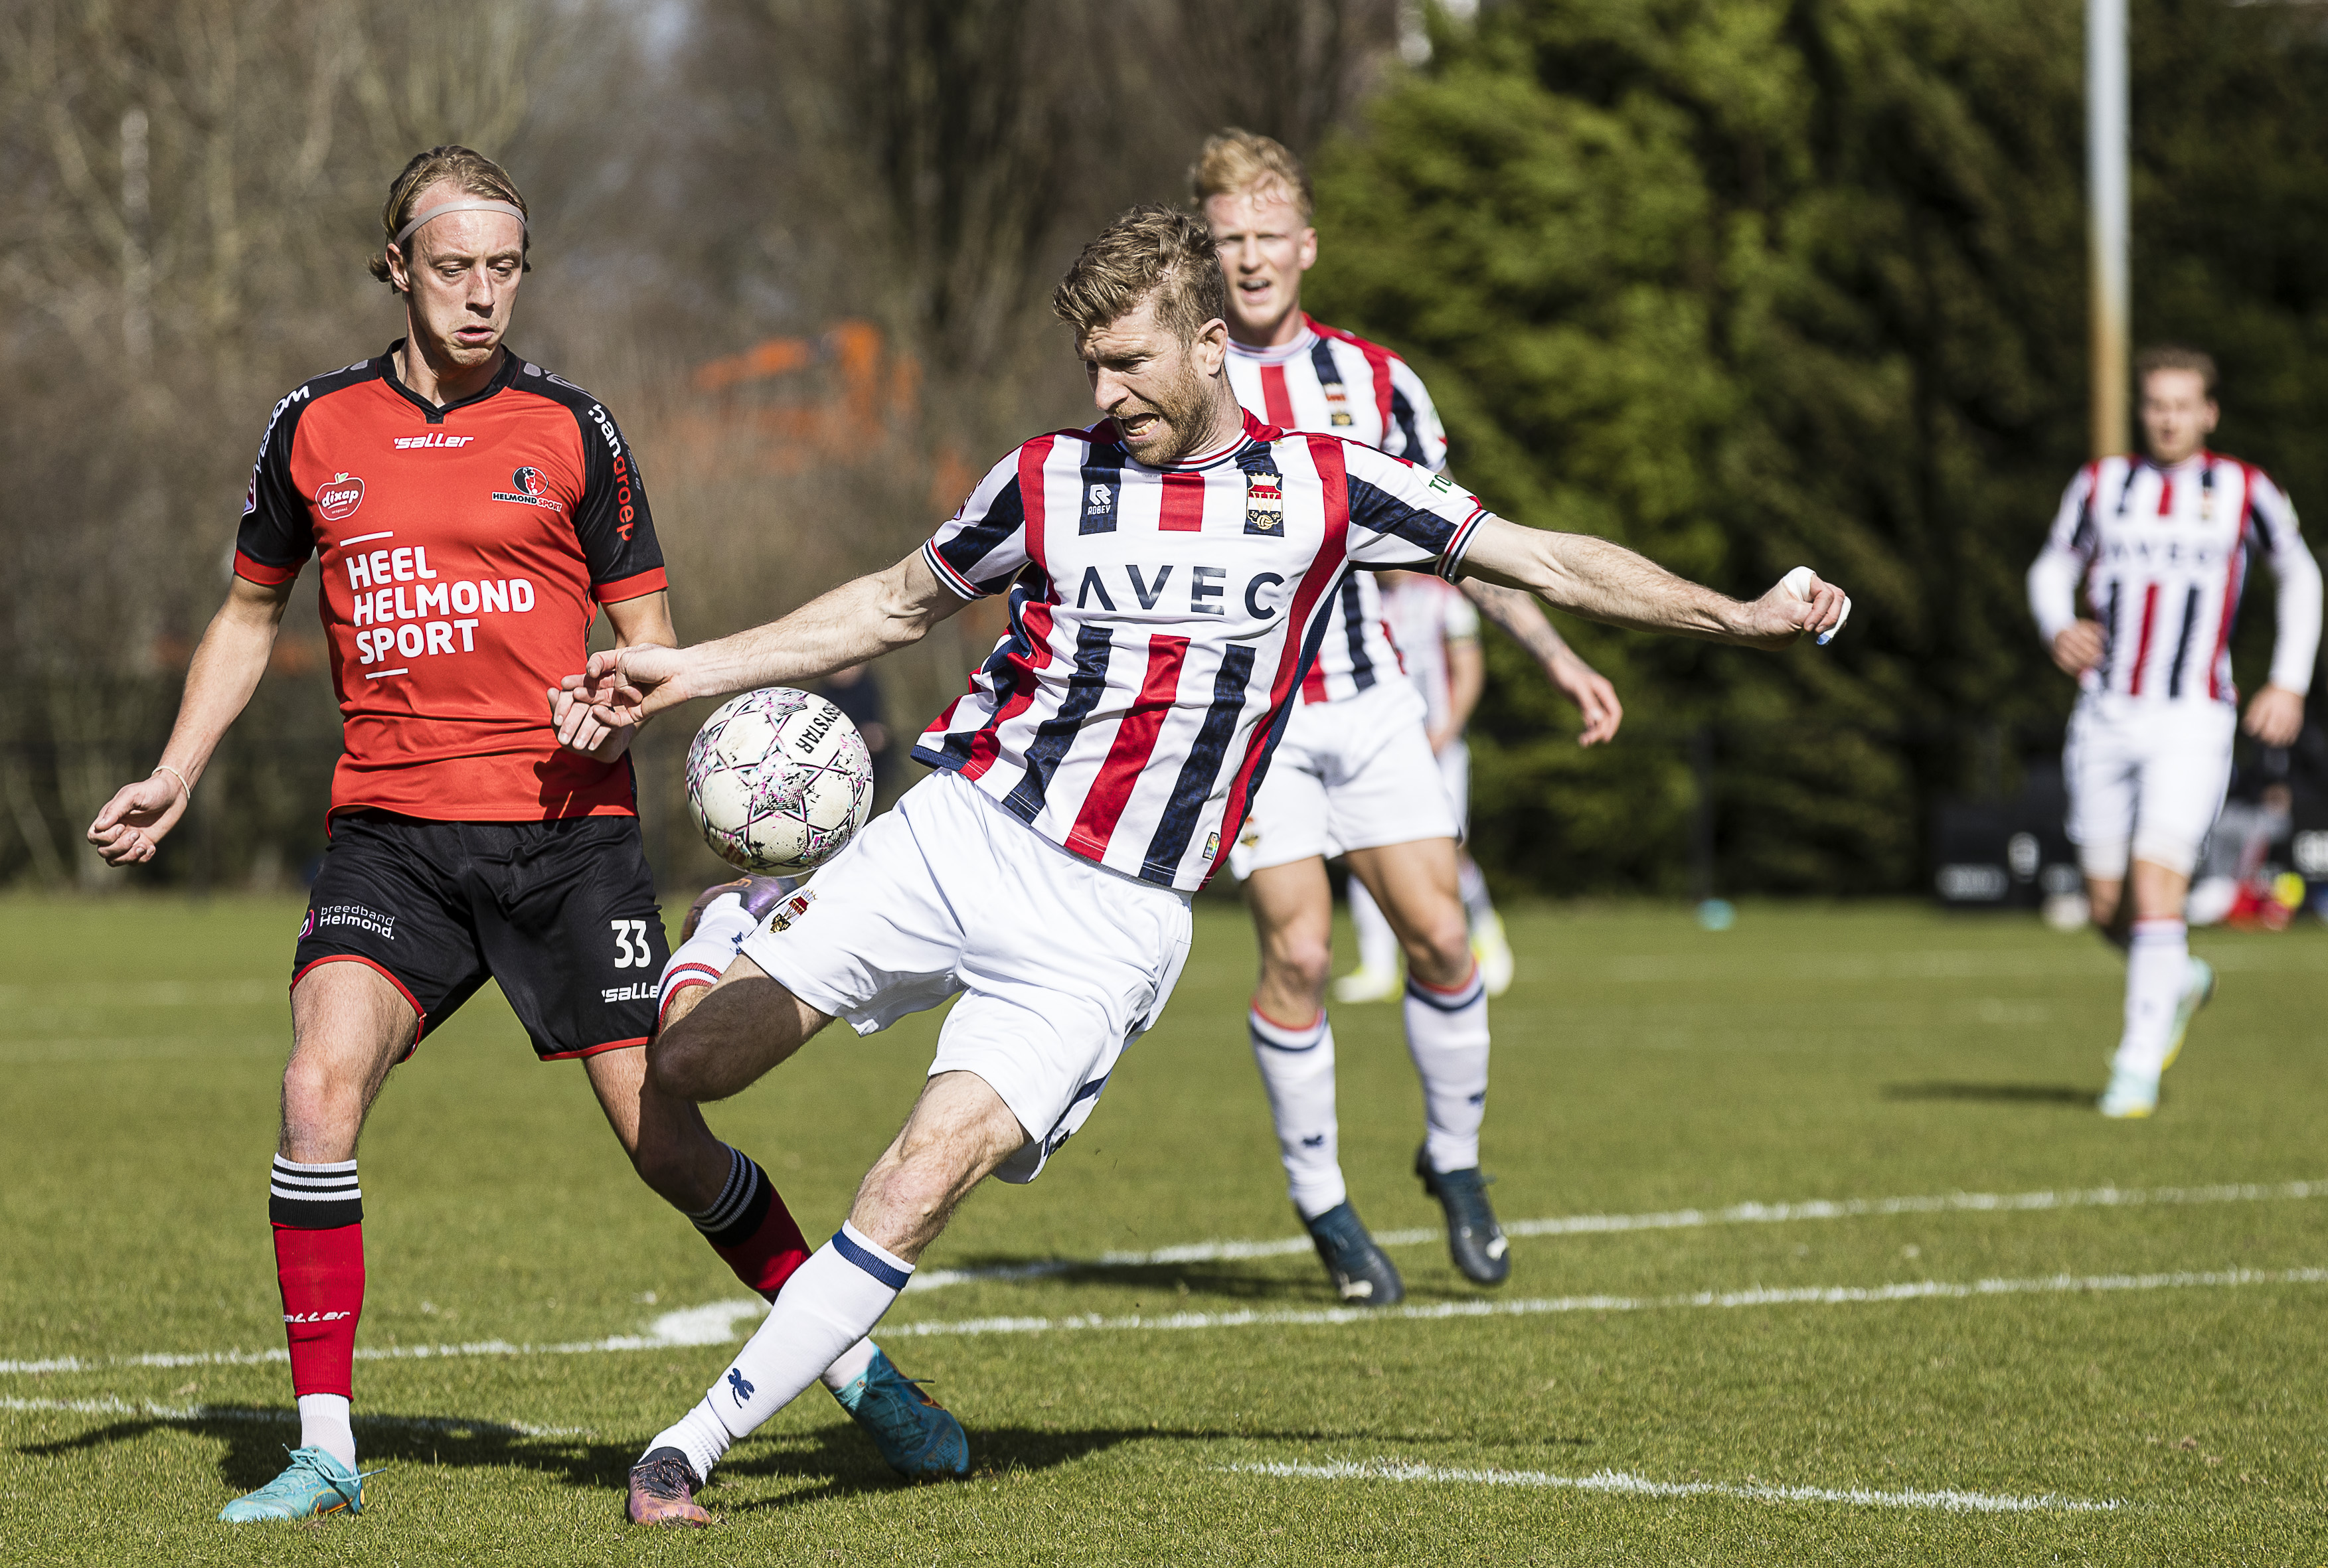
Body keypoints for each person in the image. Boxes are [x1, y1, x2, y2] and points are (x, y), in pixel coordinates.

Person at [561, 203, 1848, 1527]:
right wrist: (688, 670)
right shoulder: (1046, 478)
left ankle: (689, 1446)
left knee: (921, 1170)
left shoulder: (1327, 484)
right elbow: (894, 601)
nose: (1107, 395)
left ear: (1208, 339)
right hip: (961, 835)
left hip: (1108, 926)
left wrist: (1735, 614)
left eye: (1130, 364)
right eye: (1090, 371)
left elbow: (1545, 557)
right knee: (690, 1069)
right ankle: (740, 915)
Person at [82, 147, 963, 1524]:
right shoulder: (309, 427)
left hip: (567, 838)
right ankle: (325, 1445)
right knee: (319, 1088)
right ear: (396, 268)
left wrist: (624, 697)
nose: (483, 296)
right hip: (391, 836)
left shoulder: (575, 429)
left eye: (505, 269)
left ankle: (849, 1361)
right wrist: (175, 770)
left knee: (665, 1140)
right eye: (454, 269)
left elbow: (651, 636)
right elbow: (249, 614)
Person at [1192, 130, 1622, 1303]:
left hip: (1372, 701)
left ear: (1307, 245)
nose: (1249, 259)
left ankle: (1456, 1160)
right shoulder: (1183, 380)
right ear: (1205, 249)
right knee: (1301, 949)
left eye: (1267, 237)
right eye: (1226, 240)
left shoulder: (1377, 384)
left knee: (1440, 939)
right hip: (1252, 726)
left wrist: (1550, 650)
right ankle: (1325, 1203)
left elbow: (1458, 546)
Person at [2027, 344, 2322, 1117]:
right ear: (2143, 409)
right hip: (2105, 713)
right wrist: (2059, 626)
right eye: (2156, 403)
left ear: (2209, 413)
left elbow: (2300, 574)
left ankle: (2134, 1066)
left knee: (2158, 883)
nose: (2167, 417)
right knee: (2105, 903)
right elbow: (2051, 567)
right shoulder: (2102, 485)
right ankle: (2179, 979)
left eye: (2182, 405)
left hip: (2193, 715)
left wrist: (2289, 678)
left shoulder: (2244, 490)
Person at [1335, 571, 1513, 1002]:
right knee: (1362, 843)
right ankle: (1377, 965)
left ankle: (1486, 933)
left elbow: (1468, 671)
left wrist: (1446, 730)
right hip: (1377, 746)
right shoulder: (1360, 596)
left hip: (1437, 745)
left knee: (1450, 848)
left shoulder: (1445, 599)